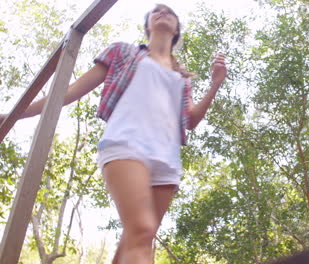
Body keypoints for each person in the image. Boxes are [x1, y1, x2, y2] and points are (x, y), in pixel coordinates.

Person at [0, 4, 227, 264]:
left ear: (176, 30)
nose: (162, 12)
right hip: (126, 145)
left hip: (168, 160)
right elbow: (68, 92)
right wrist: (12, 115)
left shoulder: (182, 78)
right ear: (148, 26)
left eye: (169, 12)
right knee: (141, 231)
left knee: (139, 241)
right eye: (156, 11)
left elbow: (190, 120)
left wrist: (215, 84)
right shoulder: (123, 52)